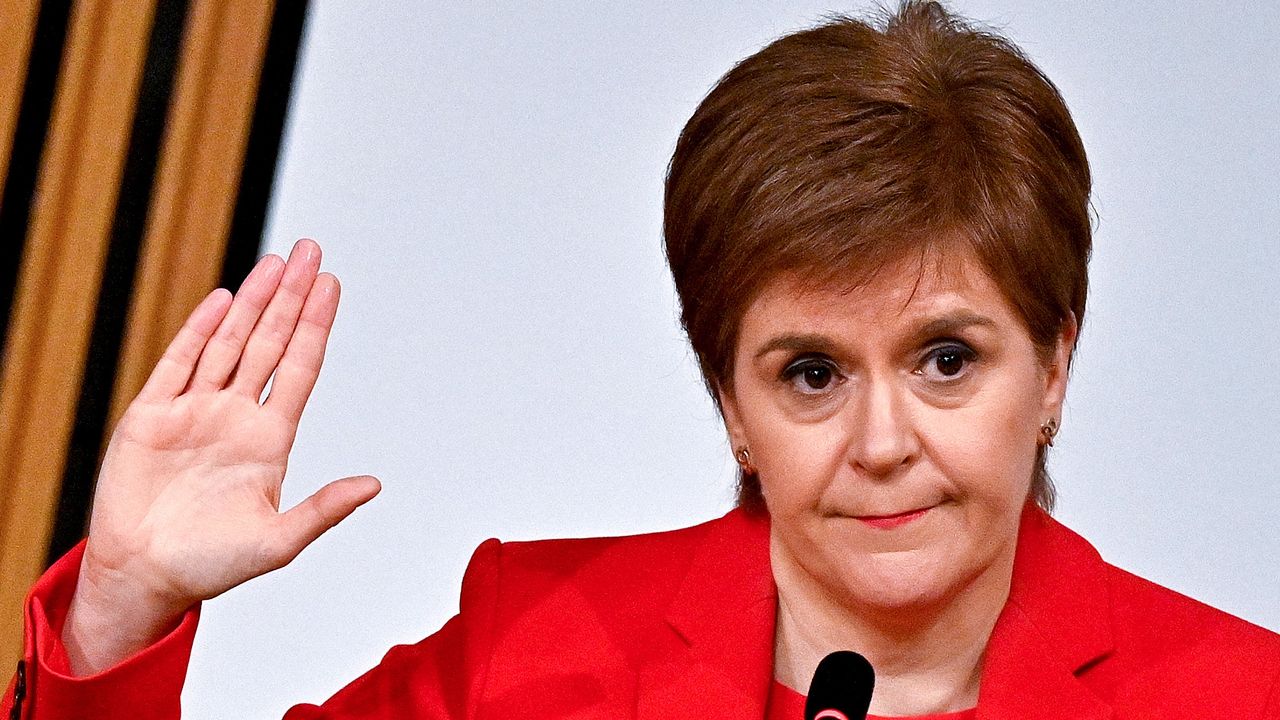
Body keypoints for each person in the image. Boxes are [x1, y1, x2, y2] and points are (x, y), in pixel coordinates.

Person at [5, 2, 1279, 718]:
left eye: (946, 359)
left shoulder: (1237, 698)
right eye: (810, 374)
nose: (883, 439)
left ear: (1052, 368)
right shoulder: (534, 654)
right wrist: (123, 609)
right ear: (730, 401)